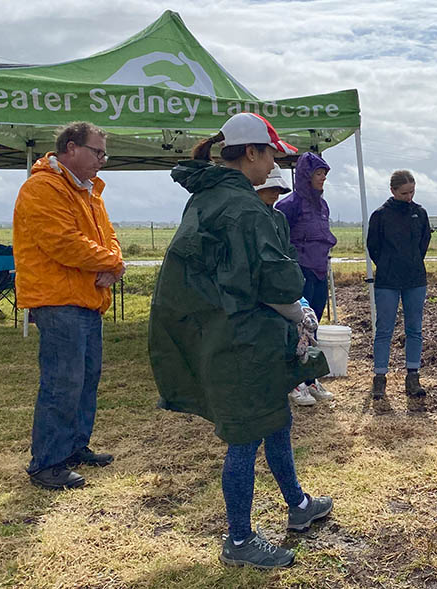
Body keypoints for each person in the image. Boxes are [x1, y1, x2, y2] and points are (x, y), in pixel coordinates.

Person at [149, 112, 334, 570]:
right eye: (270, 152)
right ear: (251, 152)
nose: (273, 161)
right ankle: (239, 540)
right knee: (246, 437)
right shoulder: (244, 210)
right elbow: (276, 280)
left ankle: (297, 504)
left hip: (226, 331)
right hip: (243, 339)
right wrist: (298, 303)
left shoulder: (206, 199)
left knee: (275, 420)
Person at [13, 121, 125, 490]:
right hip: (58, 300)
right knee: (62, 382)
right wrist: (110, 264)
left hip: (86, 299)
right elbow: (63, 242)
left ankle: (74, 446)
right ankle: (47, 462)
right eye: (97, 152)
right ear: (71, 148)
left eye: (104, 153)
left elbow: (108, 237)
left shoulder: (88, 192)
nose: (102, 161)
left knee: (85, 378)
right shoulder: (42, 188)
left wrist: (114, 262)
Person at [275, 152, 336, 405]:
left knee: (314, 325)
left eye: (324, 174)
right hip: (299, 272)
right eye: (318, 174)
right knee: (296, 326)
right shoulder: (289, 205)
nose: (322, 179)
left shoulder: (322, 205)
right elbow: (279, 240)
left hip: (319, 270)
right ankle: (294, 382)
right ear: (305, 176)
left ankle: (310, 377)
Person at [366, 170, 431, 399]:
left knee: (414, 329)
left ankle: (413, 376)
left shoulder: (420, 213)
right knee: (384, 330)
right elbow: (373, 246)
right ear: (392, 191)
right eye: (404, 193)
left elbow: (424, 242)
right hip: (387, 281)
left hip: (415, 279)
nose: (409, 197)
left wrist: (412, 261)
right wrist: (387, 264)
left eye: (412, 192)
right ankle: (379, 378)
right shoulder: (380, 215)